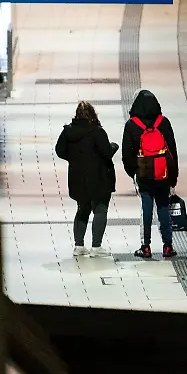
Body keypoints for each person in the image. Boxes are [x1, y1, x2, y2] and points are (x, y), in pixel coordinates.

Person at [56, 101, 118, 257]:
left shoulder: (67, 132)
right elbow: (106, 152)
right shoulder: (97, 132)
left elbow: (60, 150)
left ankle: (79, 246)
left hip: (77, 177)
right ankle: (96, 247)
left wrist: (74, 158)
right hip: (99, 176)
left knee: (82, 209)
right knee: (100, 209)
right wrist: (114, 147)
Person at [122, 90, 179, 259]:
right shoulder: (164, 122)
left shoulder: (132, 125)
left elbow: (126, 153)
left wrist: (133, 171)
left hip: (144, 174)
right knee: (163, 207)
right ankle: (167, 246)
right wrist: (173, 176)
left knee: (146, 208)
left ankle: (145, 246)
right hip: (163, 174)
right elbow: (172, 150)